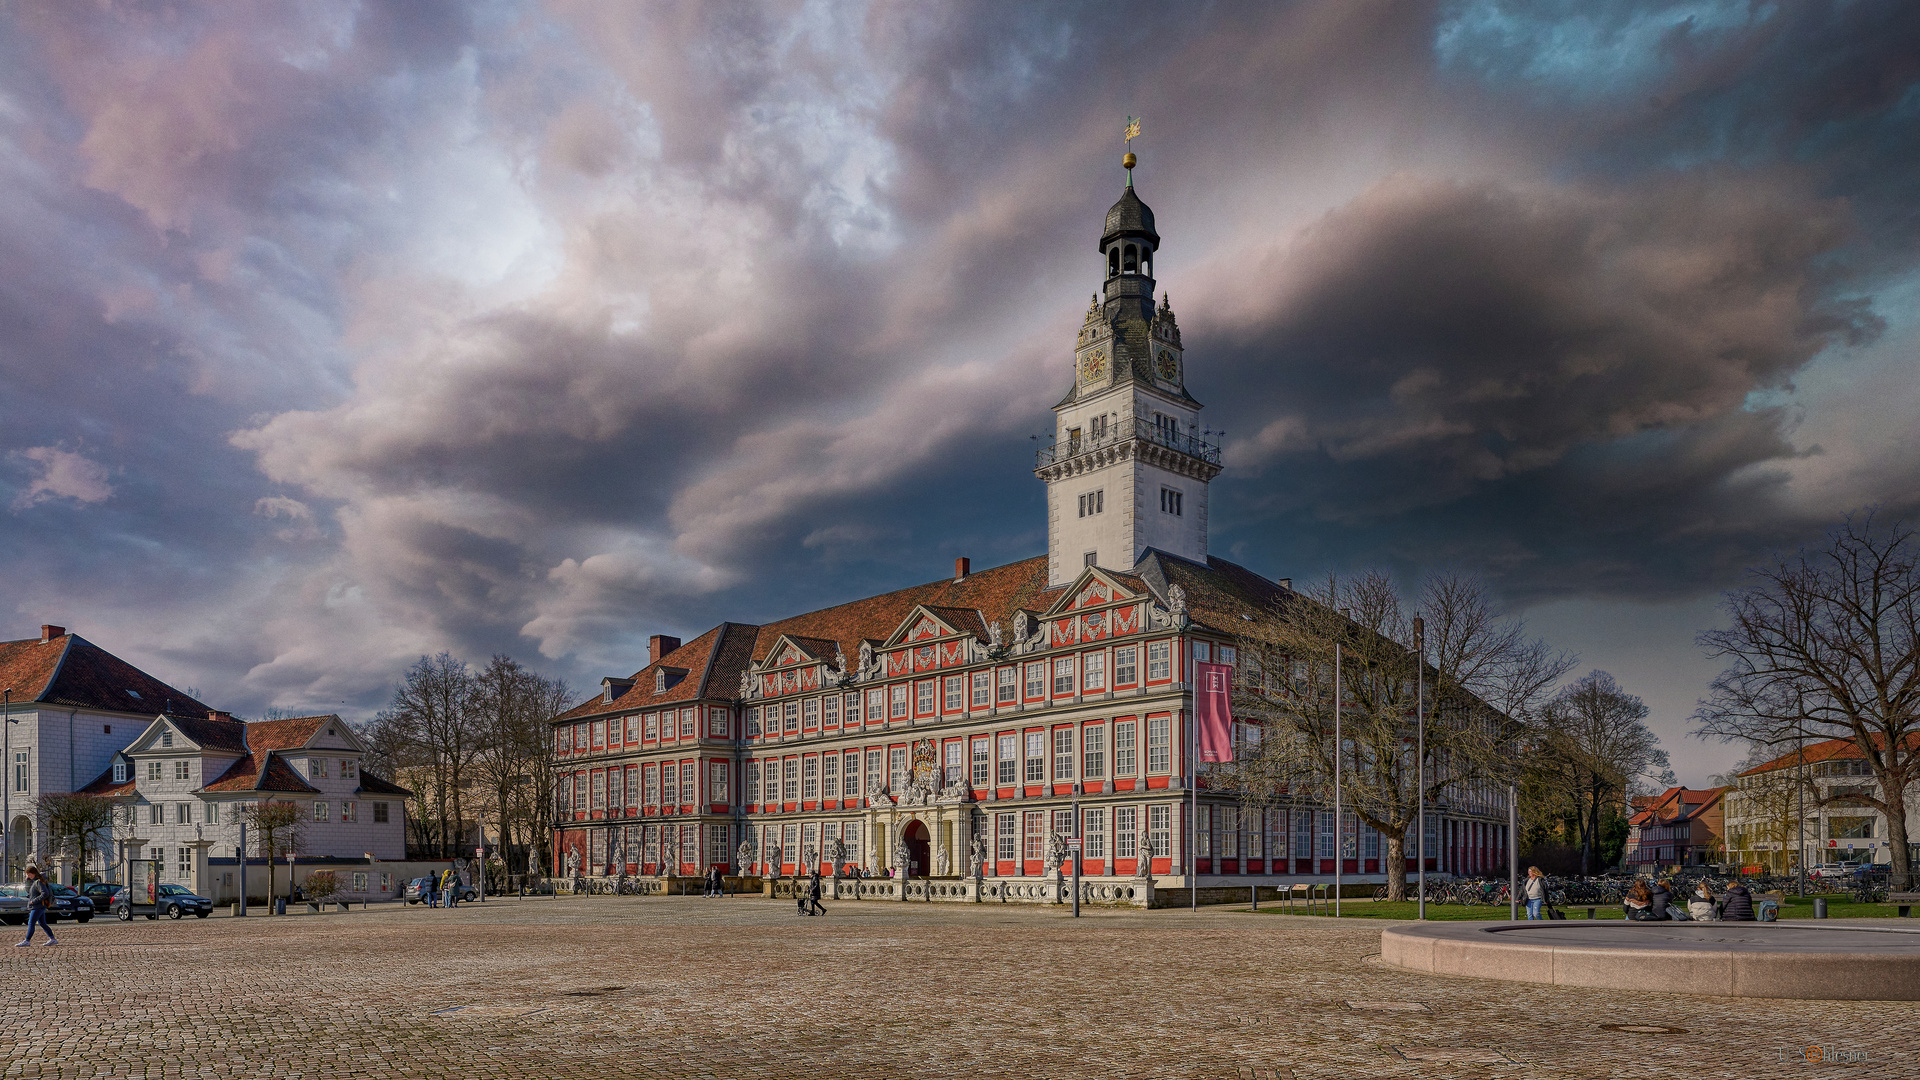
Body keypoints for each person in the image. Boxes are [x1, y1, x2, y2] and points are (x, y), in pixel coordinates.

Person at [16, 865, 57, 947]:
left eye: (29, 874)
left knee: (31, 923)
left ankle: (27, 941)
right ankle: (52, 939)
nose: (28, 876)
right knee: (42, 923)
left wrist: (33, 901)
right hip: (39, 906)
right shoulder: (36, 882)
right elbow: (30, 892)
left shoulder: (38, 882)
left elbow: (45, 893)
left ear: (34, 873)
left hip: (37, 906)